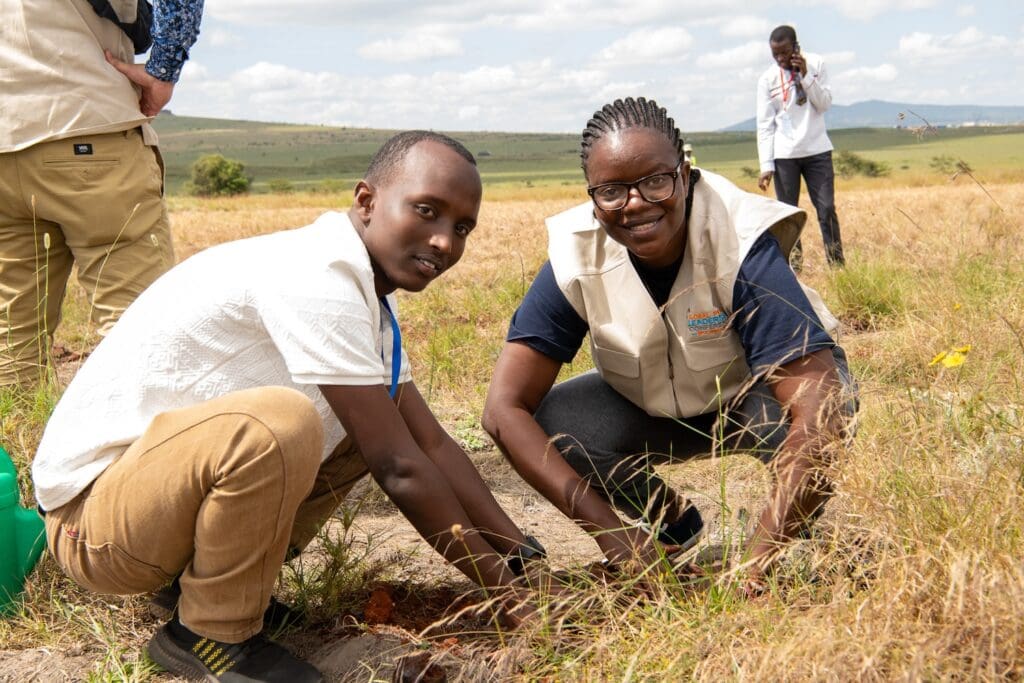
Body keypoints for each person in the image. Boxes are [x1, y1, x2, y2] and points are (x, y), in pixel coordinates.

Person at [32, 131, 544, 682]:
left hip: (150, 505)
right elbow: (401, 469)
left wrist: (521, 556)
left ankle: (199, 586)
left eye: (461, 228)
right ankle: (207, 633)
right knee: (280, 423)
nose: (445, 242)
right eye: (427, 211)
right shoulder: (316, 275)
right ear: (367, 202)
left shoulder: (366, 300)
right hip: (95, 527)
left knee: (368, 423)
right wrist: (506, 593)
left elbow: (430, 444)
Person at [482, 97, 857, 596]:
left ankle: (793, 535)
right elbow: (503, 409)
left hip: (750, 399)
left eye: (655, 181)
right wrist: (616, 538)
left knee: (820, 410)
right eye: (612, 191)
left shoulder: (739, 238)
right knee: (554, 423)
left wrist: (755, 563)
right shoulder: (576, 252)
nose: (634, 203)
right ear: (593, 197)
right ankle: (673, 524)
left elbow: (820, 413)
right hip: (652, 406)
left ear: (685, 174)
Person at [0, 0, 204, 387]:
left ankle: (18, 444)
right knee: (139, 329)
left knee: (13, 338)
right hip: (88, 123)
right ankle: (135, 447)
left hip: (5, 145)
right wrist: (164, 68)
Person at [756, 25, 846, 268]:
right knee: (788, 216)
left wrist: (805, 76)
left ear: (796, 47)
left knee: (826, 209)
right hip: (785, 156)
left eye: (784, 53)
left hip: (817, 151)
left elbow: (824, 103)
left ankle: (837, 265)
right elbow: (765, 124)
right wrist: (766, 165)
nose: (780, 59)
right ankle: (794, 267)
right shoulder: (768, 79)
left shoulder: (817, 64)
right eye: (775, 54)